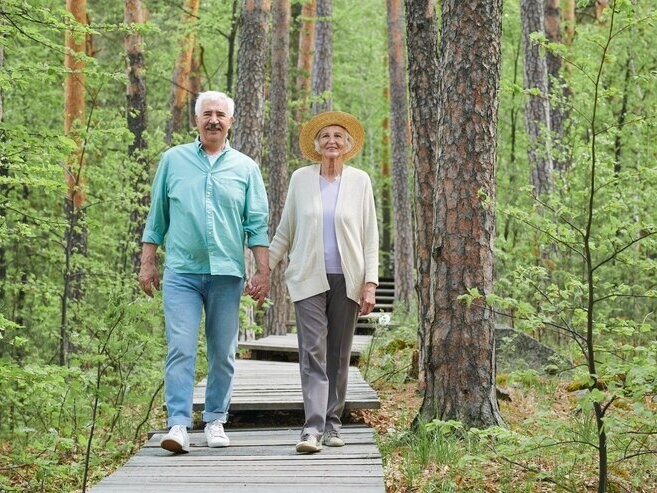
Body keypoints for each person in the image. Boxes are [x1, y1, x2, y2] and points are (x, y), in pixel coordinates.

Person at [138, 90, 270, 454]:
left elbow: (257, 225)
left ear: (231, 122)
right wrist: (148, 261)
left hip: (227, 273)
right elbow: (157, 216)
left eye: (220, 114)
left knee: (223, 351)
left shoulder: (245, 168)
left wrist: (263, 271)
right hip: (182, 272)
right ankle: (178, 424)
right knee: (180, 347)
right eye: (207, 113)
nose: (213, 120)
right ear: (196, 120)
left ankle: (214, 420)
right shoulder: (173, 160)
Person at [269, 111, 379, 453]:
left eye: (338, 136)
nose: (332, 141)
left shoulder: (360, 181)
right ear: (316, 145)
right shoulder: (301, 179)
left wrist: (370, 282)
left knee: (338, 354)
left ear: (347, 145)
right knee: (312, 351)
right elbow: (286, 230)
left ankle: (333, 424)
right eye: (326, 136)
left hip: (348, 280)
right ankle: (312, 428)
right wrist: (264, 268)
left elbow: (370, 236)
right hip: (308, 277)